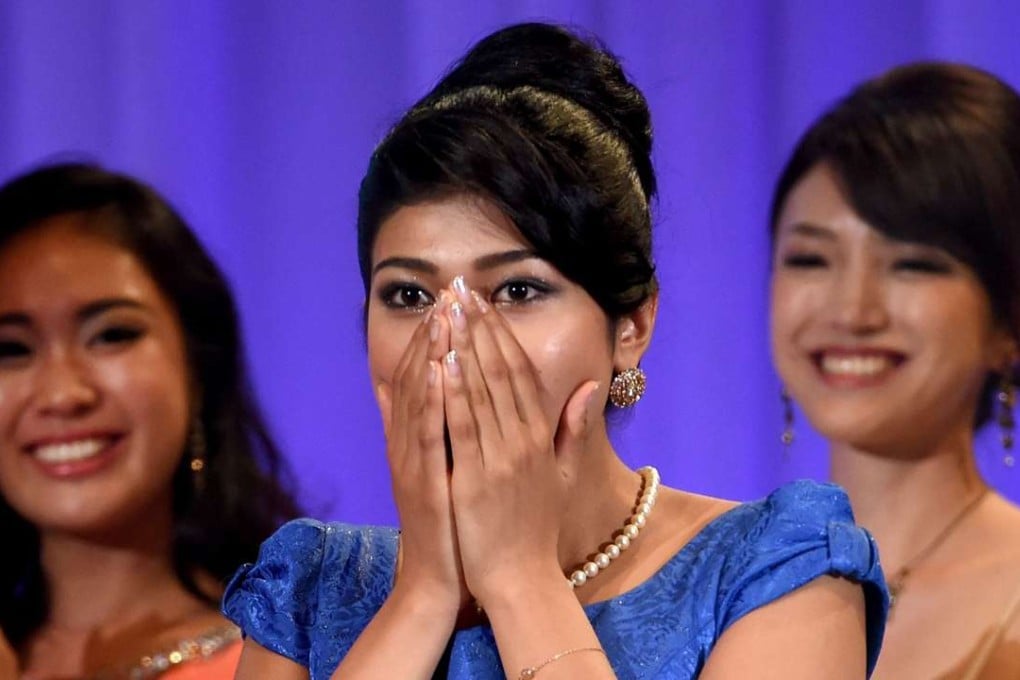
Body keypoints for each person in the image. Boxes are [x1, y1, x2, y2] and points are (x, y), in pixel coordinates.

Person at [225, 23, 887, 679]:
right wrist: (424, 595)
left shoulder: (776, 570)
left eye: (516, 288)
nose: (454, 336)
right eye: (408, 296)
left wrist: (519, 579)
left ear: (631, 324)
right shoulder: (309, 592)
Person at [0, 162, 302, 678]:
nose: (64, 394)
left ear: (198, 364)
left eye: (111, 335)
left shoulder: (292, 656)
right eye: (10, 349)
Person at [769, 62, 1020, 679]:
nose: (851, 312)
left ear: (1008, 320)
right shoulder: (715, 570)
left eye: (912, 265)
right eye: (810, 258)